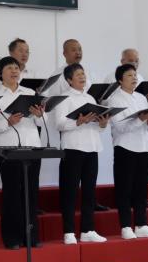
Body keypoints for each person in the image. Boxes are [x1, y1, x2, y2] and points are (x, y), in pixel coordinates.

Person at [0, 56, 45, 249]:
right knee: (12, 195)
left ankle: (31, 237)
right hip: (8, 150)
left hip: (32, 147)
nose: (14, 71)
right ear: (0, 73)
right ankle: (12, 238)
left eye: (16, 67)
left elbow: (41, 122)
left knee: (31, 194)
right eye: (9, 68)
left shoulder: (29, 92)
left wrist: (39, 115)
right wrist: (7, 123)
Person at [46, 39, 109, 212]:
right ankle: (67, 210)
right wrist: (76, 119)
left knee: (89, 180)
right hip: (71, 129)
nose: (78, 52)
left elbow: (95, 95)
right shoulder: (57, 75)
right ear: (64, 53)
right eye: (73, 49)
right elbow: (53, 103)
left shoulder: (89, 75)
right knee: (71, 179)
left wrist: (101, 121)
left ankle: (90, 207)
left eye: (80, 49)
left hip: (90, 132)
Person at [54, 63, 110, 244]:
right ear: (69, 79)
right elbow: (59, 124)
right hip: (72, 148)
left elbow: (96, 127)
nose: (82, 77)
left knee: (89, 192)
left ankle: (88, 229)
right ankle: (69, 232)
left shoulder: (90, 98)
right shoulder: (64, 98)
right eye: (78, 74)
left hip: (92, 148)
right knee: (69, 191)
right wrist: (78, 122)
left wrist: (102, 124)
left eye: (83, 74)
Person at [106, 63, 148, 239]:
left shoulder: (141, 98)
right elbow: (120, 127)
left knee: (141, 189)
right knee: (124, 189)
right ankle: (125, 227)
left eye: (135, 75)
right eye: (129, 75)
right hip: (125, 147)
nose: (134, 78)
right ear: (120, 80)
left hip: (145, 146)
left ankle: (141, 224)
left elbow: (145, 126)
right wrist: (140, 120)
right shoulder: (114, 100)